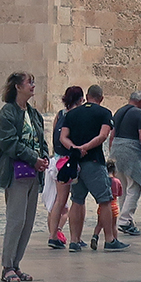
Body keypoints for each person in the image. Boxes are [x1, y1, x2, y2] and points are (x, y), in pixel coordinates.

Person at [0, 71, 52, 282]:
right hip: (16, 172)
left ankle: (16, 264)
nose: (33, 86)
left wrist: (44, 157)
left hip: (34, 173)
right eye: (29, 82)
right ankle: (7, 265)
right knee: (16, 220)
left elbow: (41, 138)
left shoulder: (33, 113)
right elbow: (8, 142)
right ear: (18, 86)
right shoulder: (8, 113)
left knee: (27, 222)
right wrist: (33, 158)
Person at [62, 84, 126, 251]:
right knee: (104, 200)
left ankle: (74, 241)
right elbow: (103, 135)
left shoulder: (72, 113)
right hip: (94, 162)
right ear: (101, 98)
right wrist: (86, 147)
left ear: (87, 96)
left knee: (77, 200)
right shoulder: (104, 113)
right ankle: (110, 239)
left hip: (76, 163)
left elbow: (63, 137)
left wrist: (75, 149)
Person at [112, 90, 141, 236]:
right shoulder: (139, 113)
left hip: (116, 150)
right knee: (135, 186)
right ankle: (124, 220)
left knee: (123, 188)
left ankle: (125, 219)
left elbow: (112, 134)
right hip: (131, 151)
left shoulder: (118, 112)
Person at [45, 85, 82, 249]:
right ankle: (63, 236)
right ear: (80, 99)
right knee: (74, 200)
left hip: (57, 159)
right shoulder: (77, 115)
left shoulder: (60, 114)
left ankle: (54, 234)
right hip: (69, 160)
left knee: (59, 201)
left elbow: (55, 136)